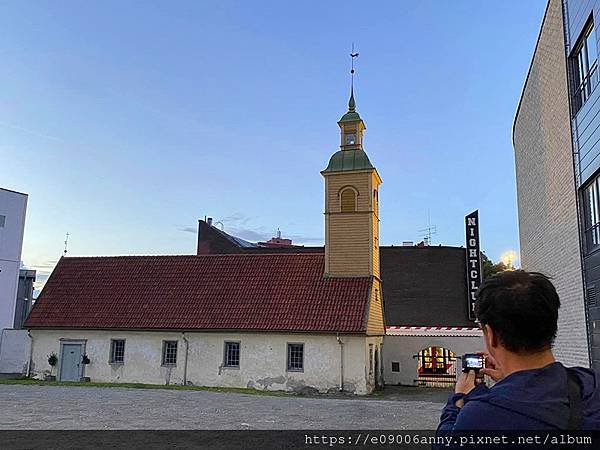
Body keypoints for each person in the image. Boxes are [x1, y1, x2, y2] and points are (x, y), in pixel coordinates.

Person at [437, 270, 600, 432]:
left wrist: (458, 401)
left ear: (490, 334)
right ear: (552, 323)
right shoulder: (592, 384)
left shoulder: (481, 417)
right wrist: (511, 381)